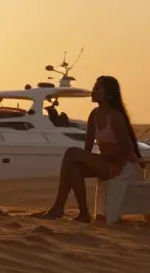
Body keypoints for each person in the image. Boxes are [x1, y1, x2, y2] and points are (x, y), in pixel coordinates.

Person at [37, 76, 142, 223]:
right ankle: (83, 213)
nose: (93, 91)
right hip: (107, 163)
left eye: (98, 88)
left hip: (123, 166)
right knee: (74, 168)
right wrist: (90, 160)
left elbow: (127, 149)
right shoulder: (94, 115)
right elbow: (87, 148)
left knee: (71, 152)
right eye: (94, 87)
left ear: (109, 94)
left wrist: (105, 158)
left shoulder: (115, 117)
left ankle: (58, 207)